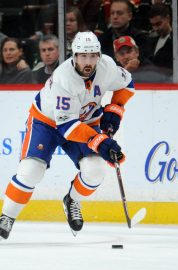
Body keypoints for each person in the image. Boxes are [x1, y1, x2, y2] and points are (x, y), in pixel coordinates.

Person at [0, 31, 135, 240]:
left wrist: (115, 110)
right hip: (47, 122)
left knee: (96, 171)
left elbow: (128, 84)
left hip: (85, 120)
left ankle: (72, 201)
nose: (88, 61)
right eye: (83, 55)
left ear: (99, 55)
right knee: (31, 171)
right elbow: (68, 128)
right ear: (74, 55)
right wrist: (101, 142)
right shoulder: (64, 78)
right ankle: (7, 216)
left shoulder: (107, 66)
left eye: (92, 56)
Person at [148, 3, 173, 70]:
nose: (155, 28)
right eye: (153, 25)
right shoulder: (150, 40)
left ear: (168, 18)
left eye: (158, 24)